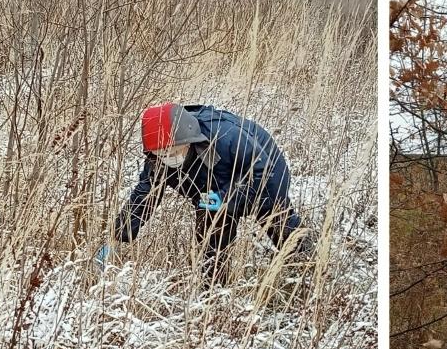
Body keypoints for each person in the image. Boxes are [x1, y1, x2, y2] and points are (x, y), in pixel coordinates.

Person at [97, 103, 313, 284]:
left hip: (264, 172)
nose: (169, 158)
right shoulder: (158, 160)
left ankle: (309, 267)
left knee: (277, 220)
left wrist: (226, 198)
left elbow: (263, 172)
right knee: (210, 231)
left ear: (189, 141)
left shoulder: (227, 136)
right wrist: (117, 235)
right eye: (161, 154)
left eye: (174, 151)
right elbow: (145, 196)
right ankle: (214, 290)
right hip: (211, 190)